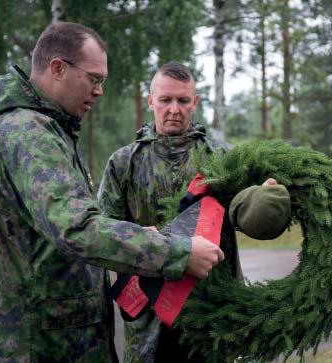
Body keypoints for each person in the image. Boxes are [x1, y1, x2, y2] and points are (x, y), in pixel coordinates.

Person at [0, 23, 224, 363]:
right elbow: (79, 229)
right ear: (58, 68)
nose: (100, 90)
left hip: (57, 338)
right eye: (94, 78)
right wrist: (177, 252)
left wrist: (137, 234)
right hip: (35, 344)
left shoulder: (49, 130)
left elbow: (68, 226)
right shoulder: (25, 134)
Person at [98, 62, 291, 362]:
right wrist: (137, 238)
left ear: (195, 102)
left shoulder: (222, 159)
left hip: (211, 319)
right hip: (149, 323)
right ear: (150, 101)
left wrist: (264, 196)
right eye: (165, 100)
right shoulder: (125, 163)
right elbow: (103, 232)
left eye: (183, 100)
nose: (174, 109)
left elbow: (245, 211)